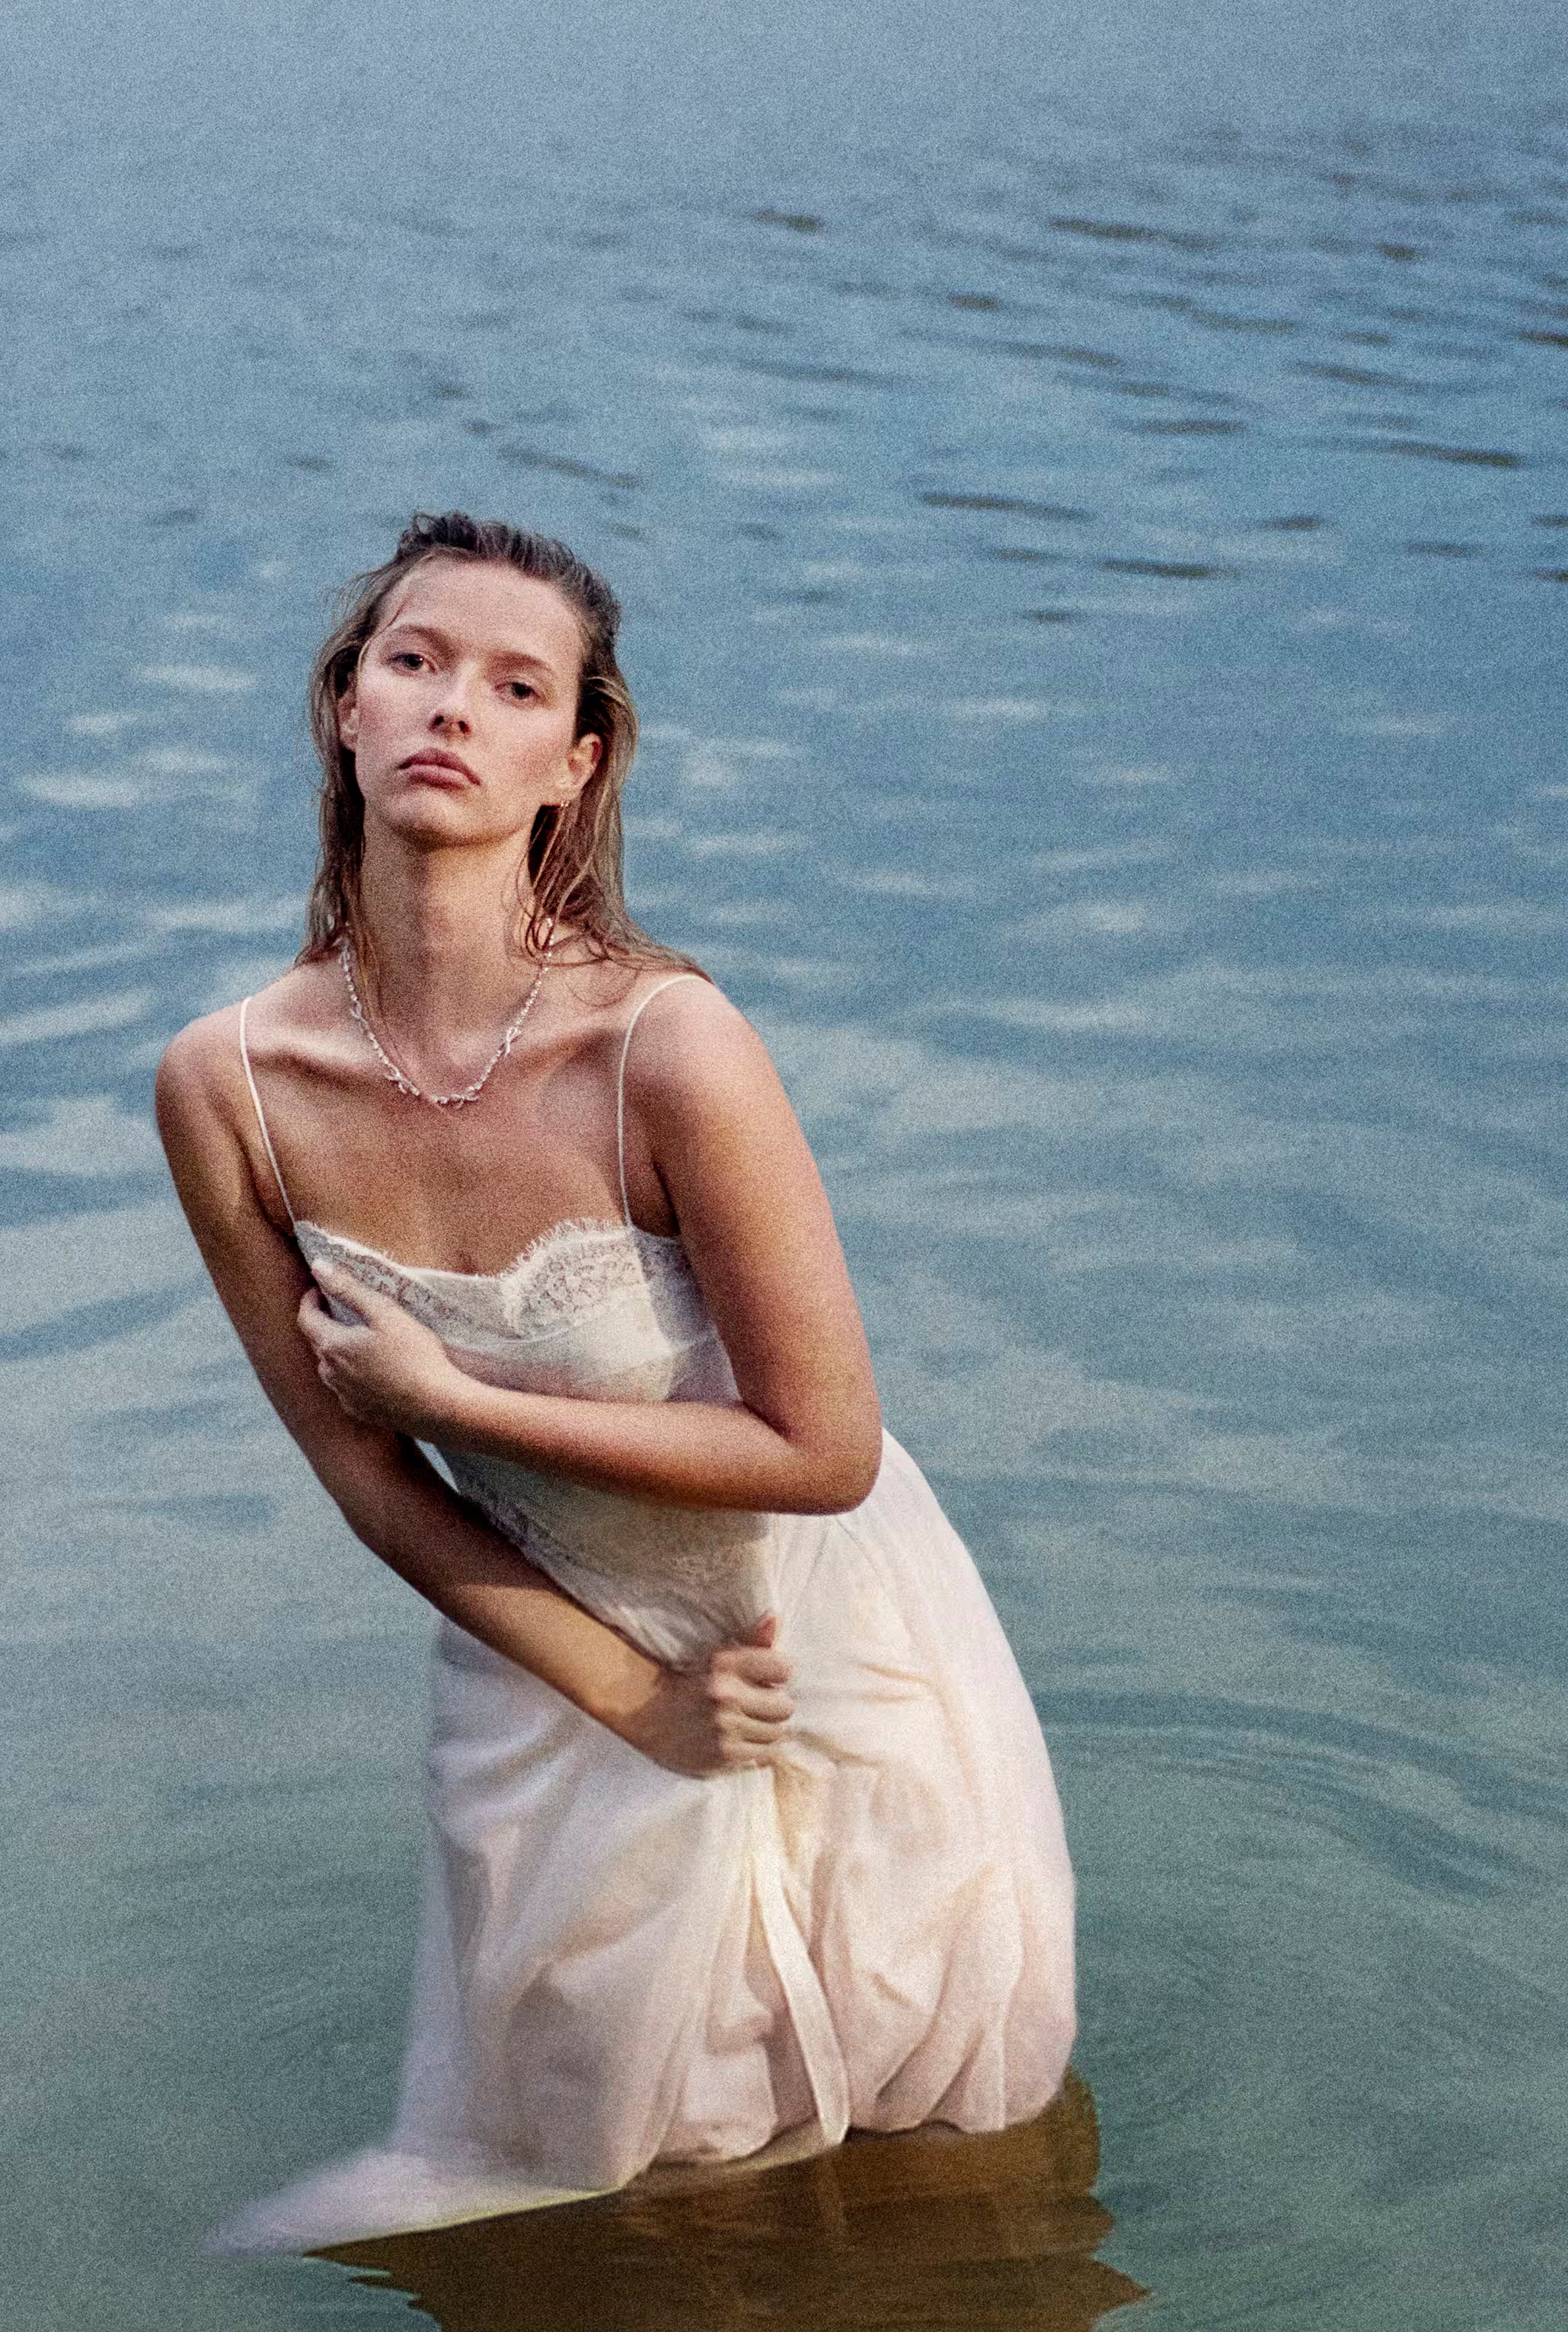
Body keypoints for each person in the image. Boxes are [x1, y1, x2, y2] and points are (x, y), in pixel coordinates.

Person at [156, 510, 1076, 2253]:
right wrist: (631, 1700)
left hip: (820, 1638)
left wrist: (458, 1399)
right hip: (545, 1663)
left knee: (943, 2168)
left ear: (574, 765)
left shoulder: (668, 1045)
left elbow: (825, 1448)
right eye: (415, 662)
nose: (455, 707)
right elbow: (368, 1488)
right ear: (346, 707)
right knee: (603, 2184)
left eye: (519, 688)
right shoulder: (229, 1087)